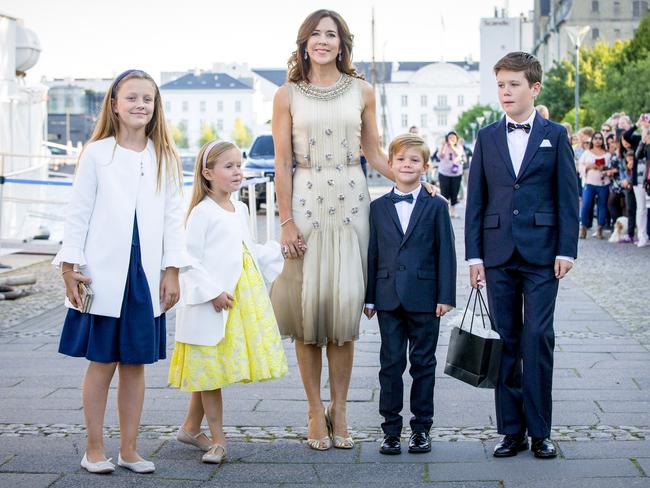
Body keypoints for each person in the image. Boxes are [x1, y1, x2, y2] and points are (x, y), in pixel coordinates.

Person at [269, 9, 435, 451]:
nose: (323, 41)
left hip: (351, 202)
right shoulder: (286, 95)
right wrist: (285, 222)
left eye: (332, 34)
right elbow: (281, 161)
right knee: (308, 314)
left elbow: (375, 152)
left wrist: (414, 182)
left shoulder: (363, 91)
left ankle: (339, 409)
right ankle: (313, 410)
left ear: (342, 44)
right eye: (316, 34)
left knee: (343, 311)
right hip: (304, 203)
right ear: (304, 42)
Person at [52, 70, 189, 474]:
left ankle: (129, 450)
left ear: (155, 107)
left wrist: (172, 269)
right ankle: (94, 449)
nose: (139, 105)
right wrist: (69, 265)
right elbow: (77, 213)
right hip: (103, 273)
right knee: (102, 363)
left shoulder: (163, 156)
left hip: (144, 275)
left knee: (135, 364)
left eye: (147, 98)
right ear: (114, 104)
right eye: (131, 97)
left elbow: (172, 217)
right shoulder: (97, 153)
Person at [465, 52, 579, 460]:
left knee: (538, 337)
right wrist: (474, 258)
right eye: (500, 85)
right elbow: (475, 200)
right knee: (506, 340)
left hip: (543, 254)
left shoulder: (556, 135)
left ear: (534, 88)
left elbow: (569, 196)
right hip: (497, 254)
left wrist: (568, 248)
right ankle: (511, 431)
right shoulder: (486, 137)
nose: (506, 92)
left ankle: (541, 431)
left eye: (514, 84)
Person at [168, 139, 287, 464]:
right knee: (211, 374)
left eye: (239, 165)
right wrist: (212, 292)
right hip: (211, 302)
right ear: (208, 173)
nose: (238, 172)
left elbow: (245, 250)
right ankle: (218, 440)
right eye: (229, 166)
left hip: (236, 301)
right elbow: (188, 260)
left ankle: (191, 427)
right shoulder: (201, 213)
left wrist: (279, 250)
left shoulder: (241, 209)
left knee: (212, 370)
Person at [364, 134, 456, 455]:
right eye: (401, 159)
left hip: (426, 297)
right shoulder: (376, 208)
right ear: (390, 165)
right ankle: (390, 430)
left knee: (423, 363)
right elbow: (372, 253)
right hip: (388, 297)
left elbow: (447, 252)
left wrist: (446, 296)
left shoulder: (436, 205)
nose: (407, 165)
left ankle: (421, 428)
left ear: (425, 167)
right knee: (390, 364)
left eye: (414, 160)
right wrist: (369, 297)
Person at [578, 131, 611, 239]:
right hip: (590, 183)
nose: (598, 140)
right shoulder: (587, 153)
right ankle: (583, 227)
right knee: (586, 204)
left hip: (603, 183)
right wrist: (588, 167)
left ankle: (599, 229)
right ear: (592, 140)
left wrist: (604, 168)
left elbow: (611, 167)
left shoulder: (607, 154)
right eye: (595, 138)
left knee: (602, 205)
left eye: (600, 138)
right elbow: (580, 166)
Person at [437, 131, 464, 217]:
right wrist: (444, 146)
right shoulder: (443, 146)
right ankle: (446, 211)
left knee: (454, 192)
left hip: (456, 174)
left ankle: (453, 210)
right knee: (444, 192)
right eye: (450, 138)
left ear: (456, 139)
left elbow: (459, 154)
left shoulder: (459, 146)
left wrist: (452, 146)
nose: (452, 139)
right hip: (444, 173)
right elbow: (440, 156)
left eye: (453, 138)